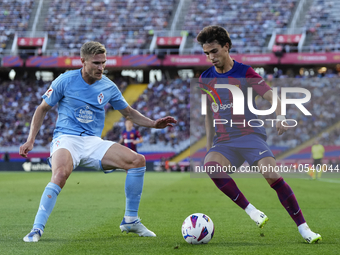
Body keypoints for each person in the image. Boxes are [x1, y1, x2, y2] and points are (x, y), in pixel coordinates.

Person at [19, 41, 177, 242]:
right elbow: (42, 108)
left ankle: (130, 219)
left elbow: (128, 112)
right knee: (60, 174)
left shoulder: (108, 86)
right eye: (96, 63)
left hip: (93, 142)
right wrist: (30, 140)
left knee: (138, 161)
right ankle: (36, 229)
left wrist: (154, 123)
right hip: (67, 138)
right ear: (82, 61)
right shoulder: (65, 80)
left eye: (104, 62)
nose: (101, 67)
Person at [196, 26, 321, 244]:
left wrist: (280, 115)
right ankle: (252, 211)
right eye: (206, 53)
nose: (210, 57)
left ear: (226, 47)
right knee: (211, 166)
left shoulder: (245, 72)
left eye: (214, 51)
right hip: (224, 141)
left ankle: (304, 229)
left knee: (272, 176)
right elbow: (208, 115)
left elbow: (272, 96)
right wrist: (208, 148)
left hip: (250, 135)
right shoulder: (205, 78)